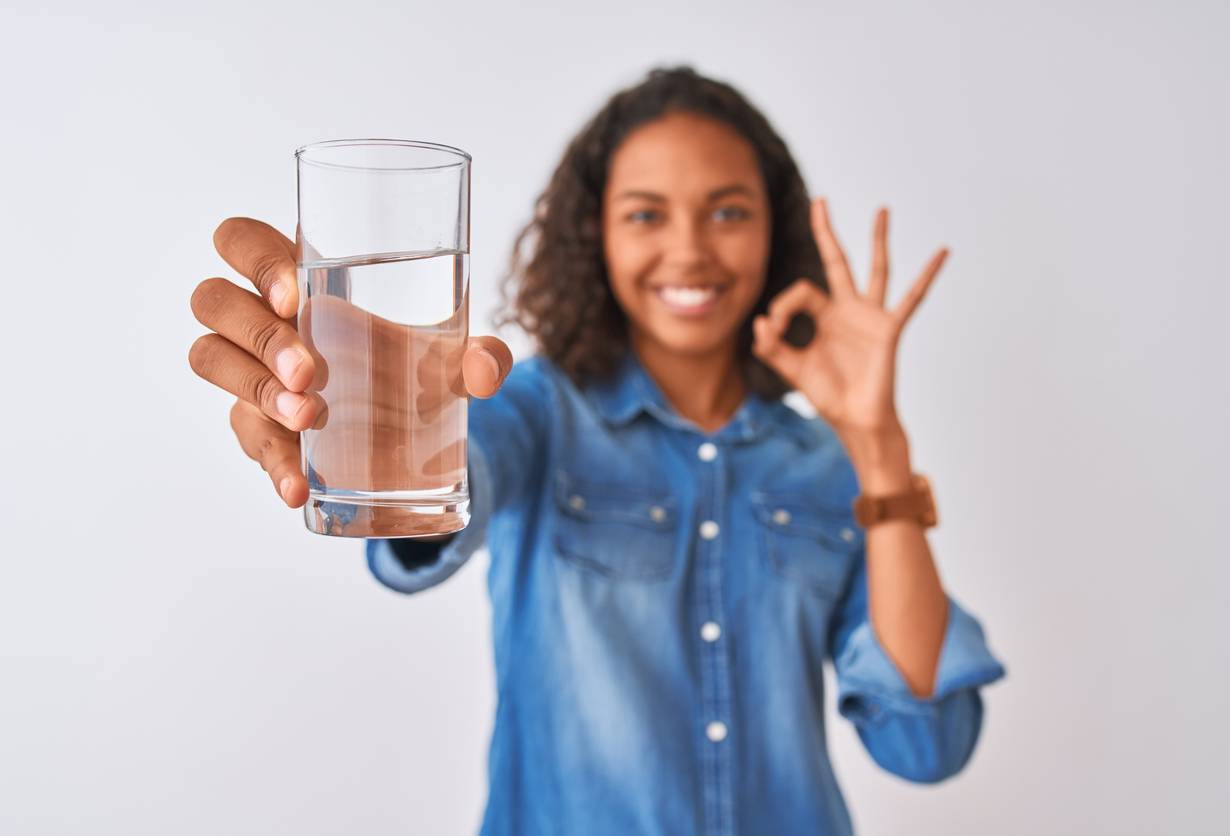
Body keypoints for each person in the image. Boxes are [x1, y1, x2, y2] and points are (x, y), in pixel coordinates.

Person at [188, 65, 1007, 836]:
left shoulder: (830, 466)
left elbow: (925, 742)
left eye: (727, 211)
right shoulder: (539, 412)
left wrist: (877, 442)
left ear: (774, 231)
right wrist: (372, 419)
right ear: (596, 235)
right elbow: (434, 509)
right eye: (646, 213)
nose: (688, 249)